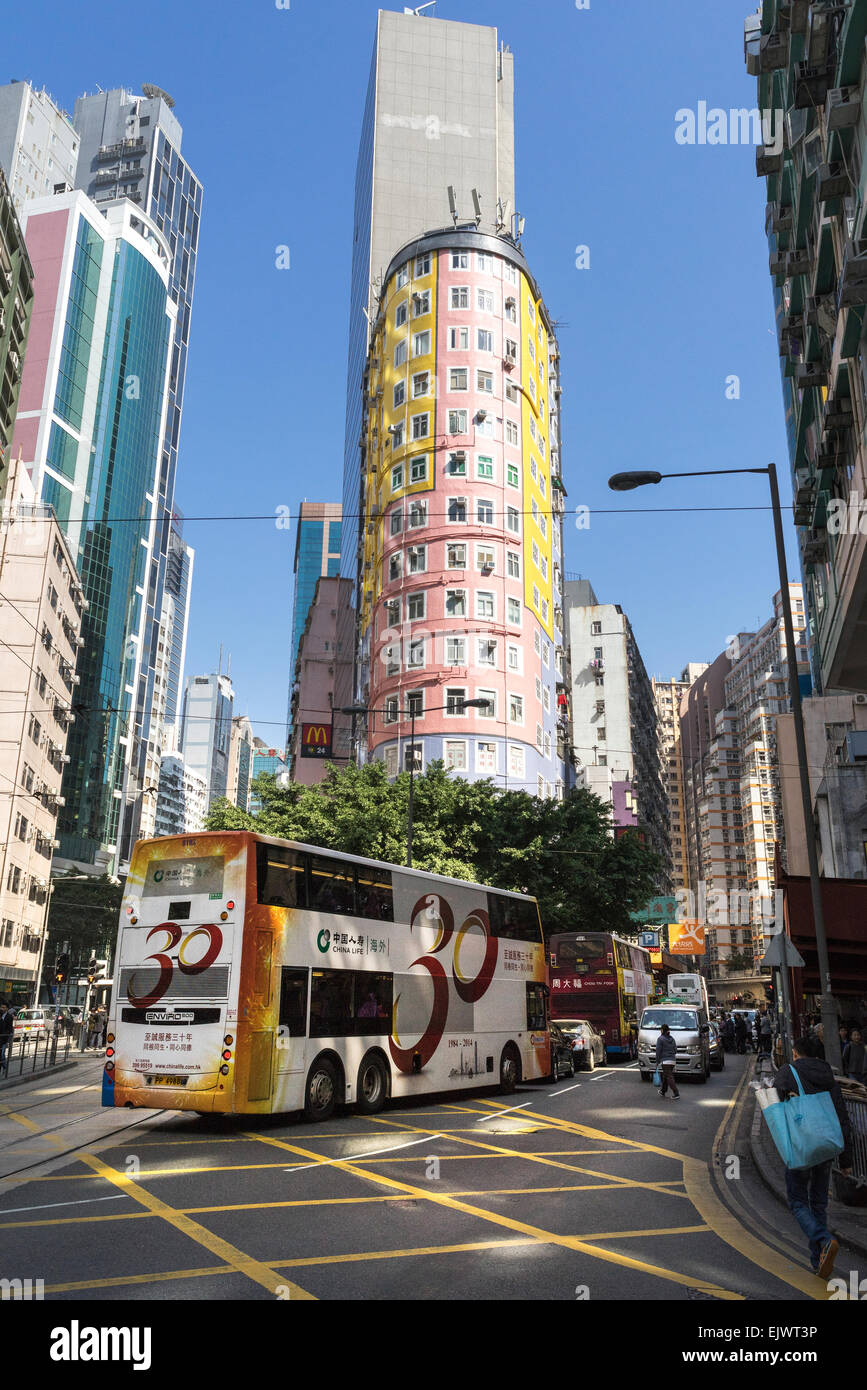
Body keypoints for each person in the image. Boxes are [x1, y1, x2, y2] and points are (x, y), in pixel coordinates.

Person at [772, 1036, 853, 1278]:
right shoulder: (829, 1076)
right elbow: (842, 1118)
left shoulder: (789, 1072)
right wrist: (846, 1160)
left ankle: (824, 1240)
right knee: (818, 1202)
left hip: (801, 1145)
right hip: (825, 1146)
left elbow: (775, 1102)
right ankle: (818, 1260)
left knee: (797, 1201)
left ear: (796, 1053)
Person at [655, 1023, 680, 1100]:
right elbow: (675, 1050)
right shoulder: (672, 1038)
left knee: (669, 1077)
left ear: (662, 1030)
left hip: (665, 1061)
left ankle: (676, 1093)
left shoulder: (660, 1039)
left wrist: (657, 1061)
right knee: (666, 1076)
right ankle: (663, 1091)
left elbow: (658, 1051)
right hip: (672, 1061)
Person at [0, 1001, 13, 1074]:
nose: (2, 1008)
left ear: (7, 1009)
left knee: (2, 1054)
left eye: (4, 1007)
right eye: (1, 1007)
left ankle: (4, 1066)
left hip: (4, 1038)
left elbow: (9, 1028)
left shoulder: (9, 1017)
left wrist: (6, 1036)